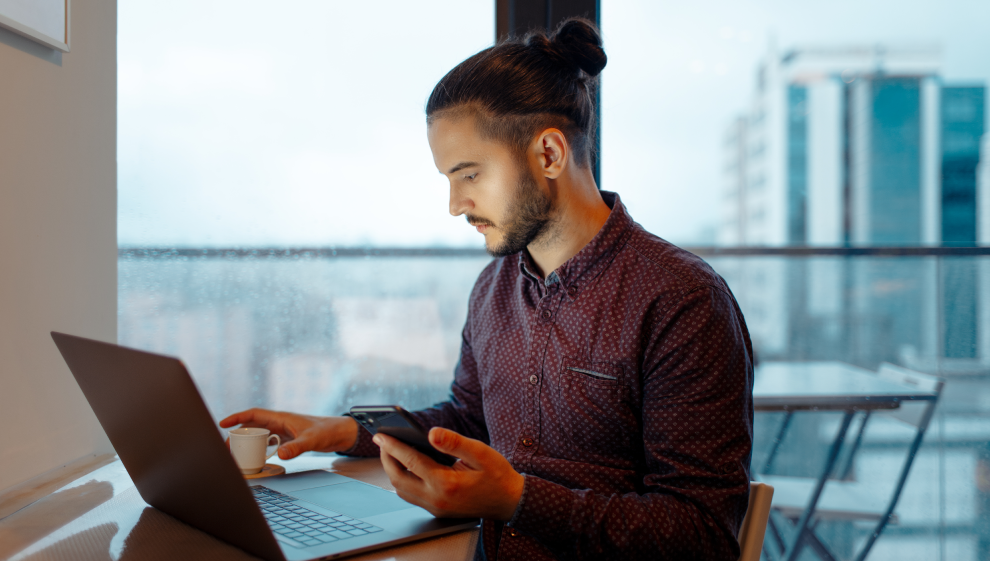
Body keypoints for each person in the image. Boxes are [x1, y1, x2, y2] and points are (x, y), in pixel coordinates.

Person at [221, 18, 754, 560]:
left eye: (469, 175)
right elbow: (467, 419)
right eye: (448, 180)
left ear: (548, 154)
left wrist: (518, 500)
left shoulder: (681, 299)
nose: (454, 204)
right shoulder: (494, 288)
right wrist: (345, 429)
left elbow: (703, 534)